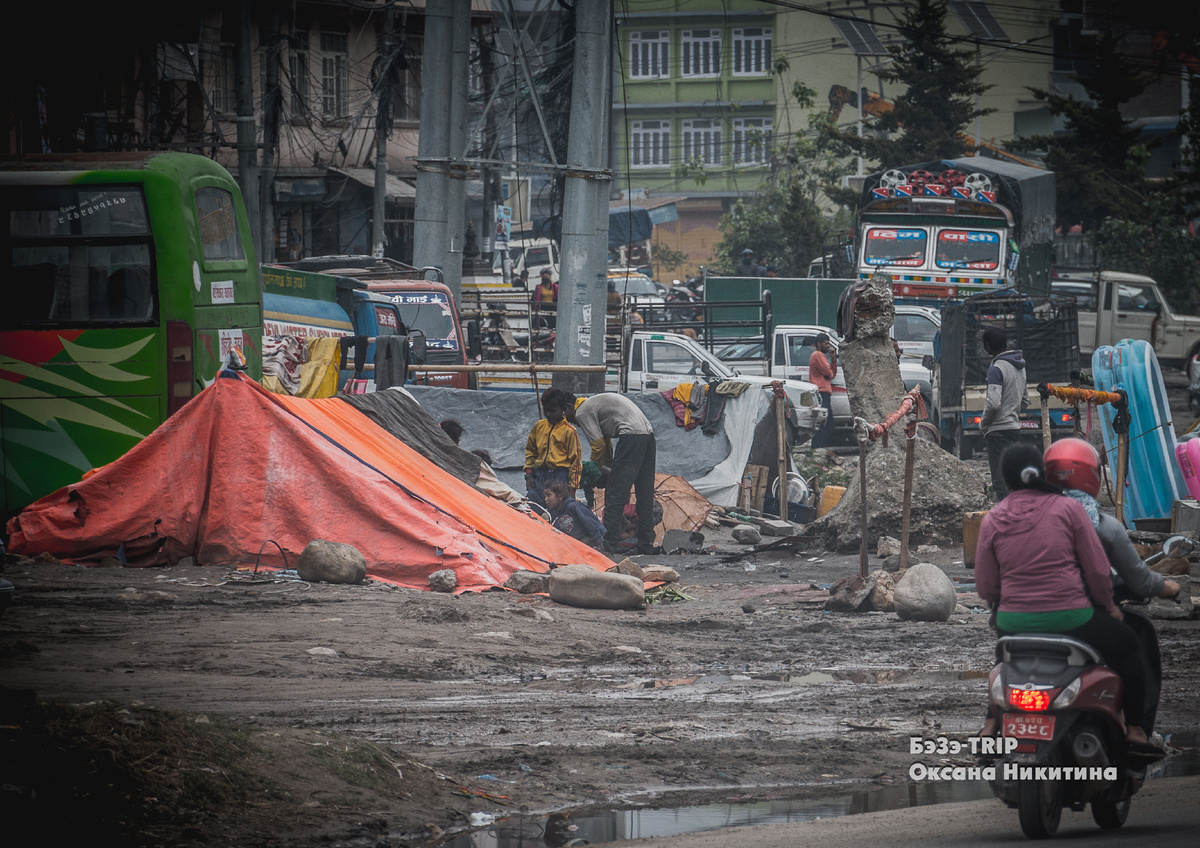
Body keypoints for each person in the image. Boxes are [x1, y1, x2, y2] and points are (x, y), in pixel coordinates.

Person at [974, 443, 1160, 757]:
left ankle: (992, 724)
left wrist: (1007, 603)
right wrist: (1109, 607)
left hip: (1012, 626)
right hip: (1073, 621)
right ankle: (1136, 730)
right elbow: (1098, 570)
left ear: (1006, 482)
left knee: (1007, 664)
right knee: (1129, 644)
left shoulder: (992, 519)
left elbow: (986, 586)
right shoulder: (1070, 510)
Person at [1044, 438, 1182, 736]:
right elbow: (1130, 579)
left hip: (1019, 617)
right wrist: (1167, 588)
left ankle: (992, 723)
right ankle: (1135, 729)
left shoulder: (1024, 518)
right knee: (1134, 640)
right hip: (1078, 617)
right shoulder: (1101, 527)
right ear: (1091, 475)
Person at [564, 392, 657, 554]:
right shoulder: (595, 406)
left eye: (566, 416)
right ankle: (646, 544)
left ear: (568, 408)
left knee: (615, 494)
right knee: (645, 493)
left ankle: (608, 544)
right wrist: (607, 469)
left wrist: (594, 472)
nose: (572, 423)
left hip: (631, 437)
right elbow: (606, 444)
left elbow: (598, 446)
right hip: (648, 436)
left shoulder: (582, 412)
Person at [980, 326, 1027, 499]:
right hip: (1014, 429)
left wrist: (984, 423)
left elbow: (993, 403)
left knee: (1001, 485)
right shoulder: (1020, 366)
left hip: (997, 432)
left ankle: (1004, 522)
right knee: (1014, 481)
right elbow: (1025, 400)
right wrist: (1012, 412)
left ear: (987, 346)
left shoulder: (996, 368)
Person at [523, 388, 581, 508]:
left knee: (556, 510)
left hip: (559, 476)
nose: (548, 414)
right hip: (539, 475)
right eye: (546, 410)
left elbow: (576, 461)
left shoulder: (569, 431)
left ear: (563, 409)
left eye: (553, 411)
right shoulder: (539, 427)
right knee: (533, 505)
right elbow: (530, 450)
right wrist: (529, 473)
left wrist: (572, 487)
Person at [544, 480, 606, 549]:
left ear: (560, 496)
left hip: (591, 539)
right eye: (545, 496)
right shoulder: (555, 513)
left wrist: (598, 540)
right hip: (576, 545)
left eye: (549, 495)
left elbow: (590, 523)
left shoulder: (573, 507)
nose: (546, 499)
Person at [808, 333, 837, 449]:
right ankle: (817, 447)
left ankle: (819, 447)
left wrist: (833, 359)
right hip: (821, 391)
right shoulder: (818, 355)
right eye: (826, 344)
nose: (828, 346)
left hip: (823, 392)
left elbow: (831, 373)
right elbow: (829, 373)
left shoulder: (819, 355)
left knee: (827, 422)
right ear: (819, 344)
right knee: (824, 422)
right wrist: (832, 361)